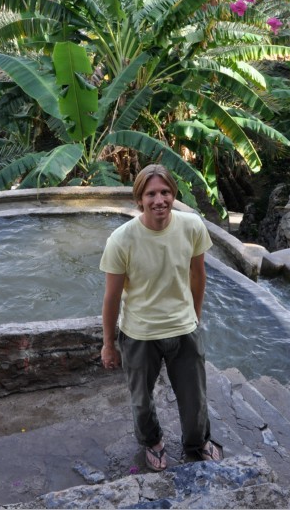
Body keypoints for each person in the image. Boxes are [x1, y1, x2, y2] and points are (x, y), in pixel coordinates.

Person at [99, 164, 222, 472]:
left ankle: (197, 442)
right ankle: (152, 441)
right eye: (150, 194)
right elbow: (111, 297)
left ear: (173, 195)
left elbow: (198, 275)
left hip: (183, 330)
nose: (159, 200)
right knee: (141, 399)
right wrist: (108, 344)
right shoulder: (121, 239)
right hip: (140, 333)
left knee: (195, 396)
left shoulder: (192, 226)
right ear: (139, 199)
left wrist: (194, 316)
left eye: (165, 192)